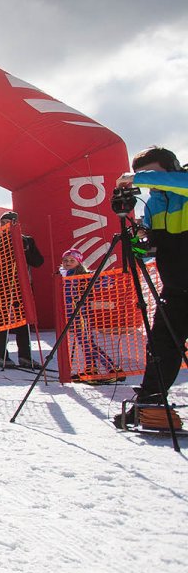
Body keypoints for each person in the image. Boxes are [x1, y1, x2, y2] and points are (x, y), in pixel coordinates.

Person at [115, 146, 188, 426]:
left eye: (152, 173)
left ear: (171, 167)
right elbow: (152, 247)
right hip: (176, 289)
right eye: (142, 175)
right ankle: (150, 406)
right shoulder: (156, 202)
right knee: (160, 349)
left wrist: (139, 180)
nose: (147, 180)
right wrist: (139, 242)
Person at [58, 248, 122, 384]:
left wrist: (93, 276)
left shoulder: (82, 275)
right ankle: (91, 369)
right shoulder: (64, 274)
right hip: (71, 314)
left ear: (79, 262)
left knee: (88, 343)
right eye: (65, 260)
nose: (68, 262)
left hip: (81, 314)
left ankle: (113, 369)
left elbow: (108, 281)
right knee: (84, 343)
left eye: (71, 260)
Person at [0, 211, 44, 369]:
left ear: (15, 223)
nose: (4, 226)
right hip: (3, 288)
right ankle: (2, 355)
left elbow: (38, 262)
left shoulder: (26, 240)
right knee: (2, 322)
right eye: (2, 223)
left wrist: (26, 250)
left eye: (8, 222)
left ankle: (25, 356)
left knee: (24, 321)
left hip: (23, 286)